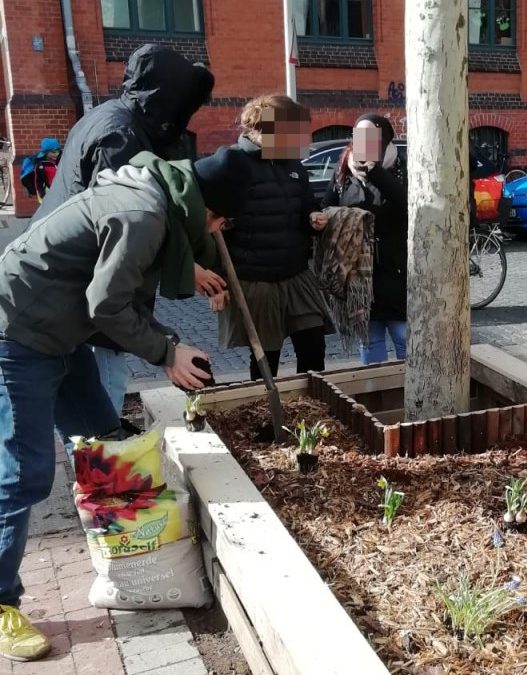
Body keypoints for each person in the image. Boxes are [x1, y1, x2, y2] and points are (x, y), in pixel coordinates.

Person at [0, 146, 250, 661]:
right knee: (24, 473)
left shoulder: (154, 198)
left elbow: (125, 300)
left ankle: (128, 560)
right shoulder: (143, 213)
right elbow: (106, 304)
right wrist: (165, 353)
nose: (218, 232)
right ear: (205, 208)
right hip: (20, 333)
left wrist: (169, 344)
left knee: (105, 443)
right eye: (221, 221)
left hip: (62, 332)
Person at [31, 43, 221, 416]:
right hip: (79, 293)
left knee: (87, 418)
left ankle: (97, 459)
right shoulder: (120, 137)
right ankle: (103, 457)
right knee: (101, 406)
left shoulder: (112, 118)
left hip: (68, 287)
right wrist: (186, 269)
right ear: (165, 98)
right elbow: (124, 232)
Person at [213, 94, 330, 381]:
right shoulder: (232, 163)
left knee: (314, 345)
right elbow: (208, 226)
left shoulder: (294, 166)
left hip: (296, 275)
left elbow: (306, 206)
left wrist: (313, 217)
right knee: (266, 359)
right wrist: (216, 283)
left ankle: (314, 414)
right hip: (256, 281)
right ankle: (268, 417)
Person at [320, 114, 407, 365]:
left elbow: (406, 203)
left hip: (396, 267)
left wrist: (375, 171)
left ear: (384, 139)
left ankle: (411, 393)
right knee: (369, 339)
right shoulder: (344, 172)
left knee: (404, 335)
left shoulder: (400, 169)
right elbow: (327, 206)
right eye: (360, 136)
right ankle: (376, 395)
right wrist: (321, 217)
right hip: (359, 273)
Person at [18, 138, 60, 202]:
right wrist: (43, 195)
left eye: (58, 151)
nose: (56, 154)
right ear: (45, 152)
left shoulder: (59, 161)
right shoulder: (41, 165)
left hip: (59, 192)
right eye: (53, 152)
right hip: (47, 194)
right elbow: (39, 182)